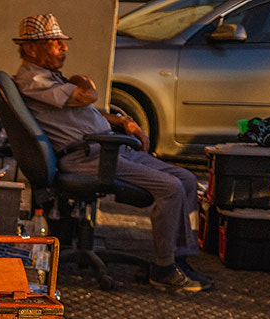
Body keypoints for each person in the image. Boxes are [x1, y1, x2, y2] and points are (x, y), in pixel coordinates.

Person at [11, 14, 212, 291]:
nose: (64, 47)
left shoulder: (50, 77)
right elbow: (87, 96)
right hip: (88, 156)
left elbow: (88, 111)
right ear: (32, 48)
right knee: (170, 187)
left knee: (188, 180)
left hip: (106, 146)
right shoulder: (33, 80)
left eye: (62, 42)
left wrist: (124, 121)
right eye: (55, 42)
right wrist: (84, 80)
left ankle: (179, 259)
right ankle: (164, 269)